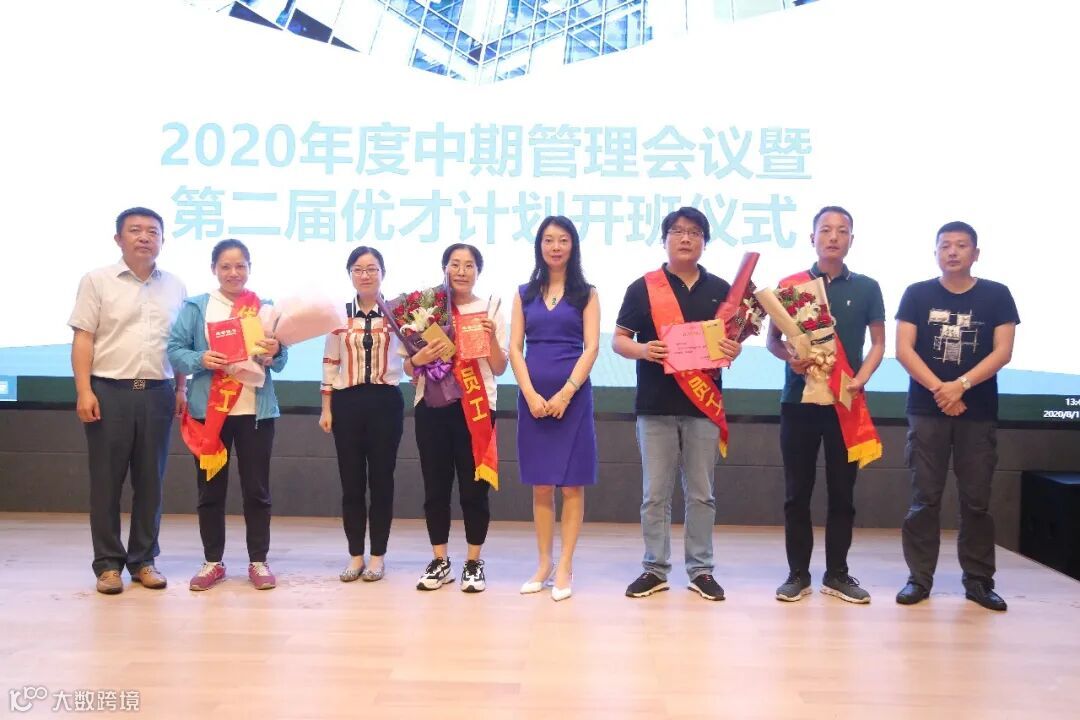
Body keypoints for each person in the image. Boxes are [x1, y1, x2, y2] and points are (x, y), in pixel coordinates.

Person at [614, 207, 742, 602]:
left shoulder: (722, 290)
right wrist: (643, 349)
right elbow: (619, 340)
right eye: (678, 231)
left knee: (702, 493)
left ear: (705, 241)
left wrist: (733, 348)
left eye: (695, 232)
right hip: (655, 405)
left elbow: (729, 341)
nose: (686, 238)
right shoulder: (643, 287)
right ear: (664, 238)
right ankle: (654, 568)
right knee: (655, 494)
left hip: (703, 407)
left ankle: (701, 570)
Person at [894, 221, 1019, 611]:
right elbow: (904, 350)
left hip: (977, 412)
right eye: (945, 245)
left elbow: (1003, 351)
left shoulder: (997, 294)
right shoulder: (917, 293)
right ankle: (919, 579)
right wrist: (942, 390)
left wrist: (960, 385)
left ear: (975, 253)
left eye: (961, 245)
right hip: (926, 410)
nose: (952, 251)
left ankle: (979, 581)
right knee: (924, 499)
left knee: (976, 501)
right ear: (935, 252)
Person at [765, 206, 886, 604]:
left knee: (842, 493)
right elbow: (773, 342)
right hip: (798, 402)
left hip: (845, 402)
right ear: (812, 238)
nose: (833, 237)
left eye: (842, 230)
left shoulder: (867, 288)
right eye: (826, 230)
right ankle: (797, 574)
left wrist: (860, 378)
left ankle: (837, 574)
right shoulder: (792, 286)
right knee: (796, 492)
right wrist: (790, 358)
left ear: (852, 239)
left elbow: (879, 344)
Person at [69, 207, 187, 594]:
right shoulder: (97, 281)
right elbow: (84, 337)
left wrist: (181, 388)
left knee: (151, 483)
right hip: (110, 391)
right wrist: (84, 390)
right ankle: (107, 565)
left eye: (153, 231)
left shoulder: (175, 286)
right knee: (106, 483)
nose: (144, 237)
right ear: (118, 239)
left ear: (162, 241)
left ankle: (143, 561)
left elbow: (179, 345)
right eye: (135, 230)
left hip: (158, 392)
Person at [167, 239, 287, 591]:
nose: (234, 273)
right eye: (226, 266)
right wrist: (200, 359)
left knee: (257, 490)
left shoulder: (264, 308)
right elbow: (174, 350)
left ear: (249, 268)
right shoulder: (197, 307)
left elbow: (280, 360)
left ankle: (258, 561)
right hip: (210, 415)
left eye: (240, 266)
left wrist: (275, 351)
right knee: (210, 491)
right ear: (214, 269)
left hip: (255, 413)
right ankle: (212, 562)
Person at [408, 244, 508, 593]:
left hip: (477, 407)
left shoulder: (490, 309)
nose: (461, 271)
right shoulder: (428, 310)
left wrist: (490, 337)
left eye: (469, 265)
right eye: (455, 264)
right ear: (445, 269)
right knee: (435, 487)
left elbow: (499, 367)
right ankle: (440, 561)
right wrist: (420, 357)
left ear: (478, 271)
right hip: (432, 406)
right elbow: (408, 365)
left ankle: (473, 562)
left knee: (473, 489)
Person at [509, 216, 600, 601]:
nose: (556, 247)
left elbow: (592, 348)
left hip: (572, 398)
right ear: (539, 246)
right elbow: (514, 349)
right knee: (542, 483)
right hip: (533, 398)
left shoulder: (587, 294)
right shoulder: (524, 293)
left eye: (563, 240)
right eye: (548, 240)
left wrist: (566, 393)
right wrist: (530, 394)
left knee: (572, 484)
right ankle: (544, 562)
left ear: (573, 245)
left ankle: (565, 565)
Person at [319, 246, 405, 583]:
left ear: (383, 273)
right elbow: (330, 363)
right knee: (351, 482)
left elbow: (412, 355)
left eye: (372, 268)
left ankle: (378, 556)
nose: (365, 275)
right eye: (358, 269)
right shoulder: (338, 316)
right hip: (347, 403)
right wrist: (326, 408)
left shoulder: (398, 315)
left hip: (386, 402)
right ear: (350, 274)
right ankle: (355, 555)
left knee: (382, 481)